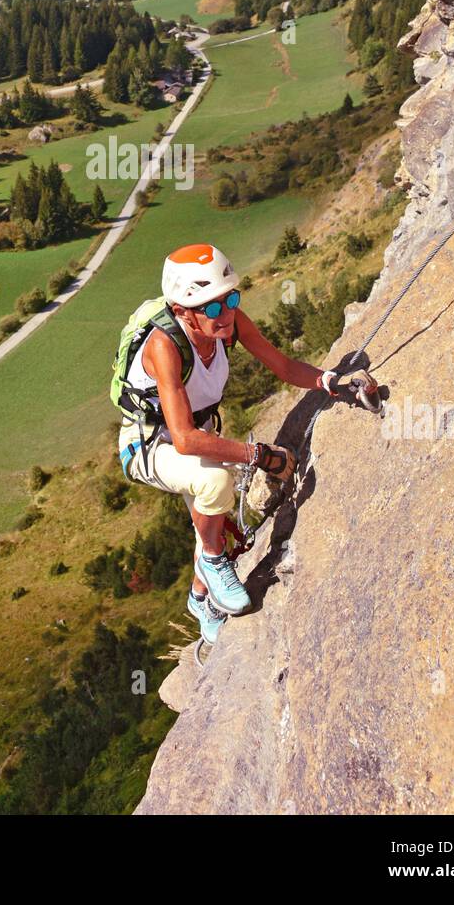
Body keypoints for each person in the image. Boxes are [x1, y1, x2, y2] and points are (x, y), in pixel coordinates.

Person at [115, 243, 377, 646]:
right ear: (183, 311)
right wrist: (259, 456)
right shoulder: (163, 346)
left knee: (211, 516)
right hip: (148, 444)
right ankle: (214, 561)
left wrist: (330, 381)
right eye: (213, 307)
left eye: (231, 299)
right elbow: (183, 439)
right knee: (215, 485)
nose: (227, 313)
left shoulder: (228, 322)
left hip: (194, 433)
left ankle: (200, 599)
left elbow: (284, 366)